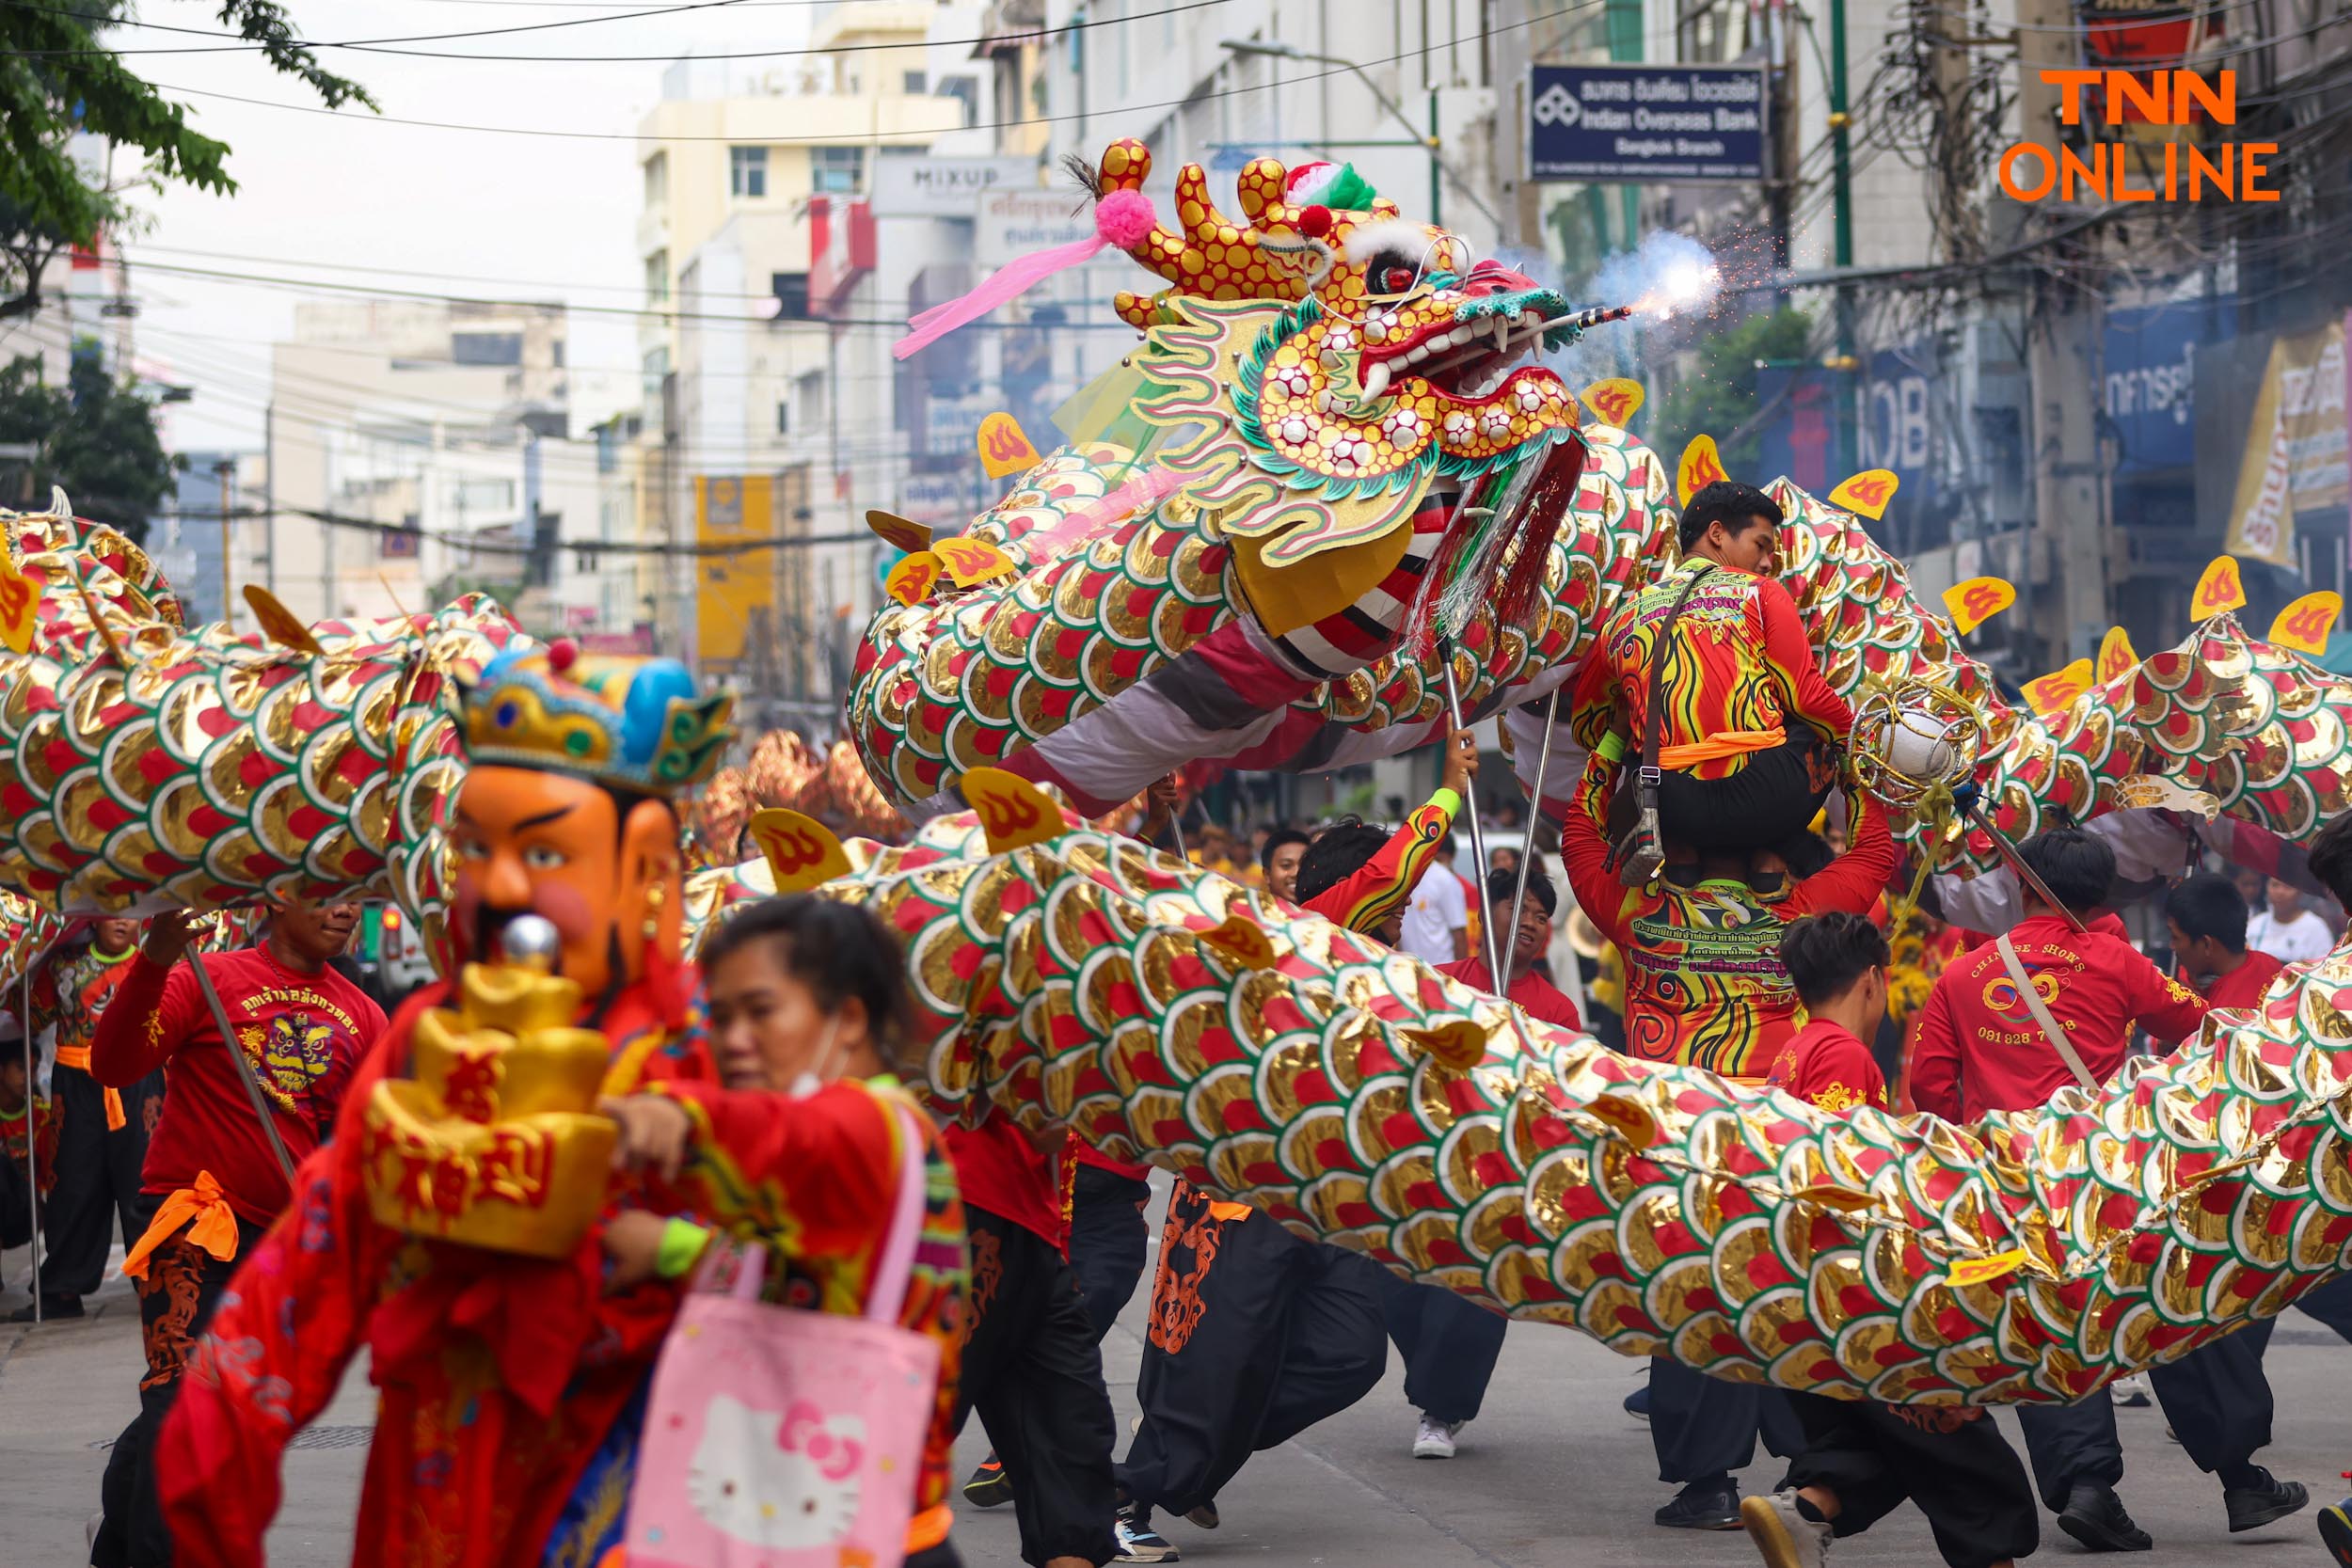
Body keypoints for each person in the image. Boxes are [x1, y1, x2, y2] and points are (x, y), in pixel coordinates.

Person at [153, 645, 734, 1568]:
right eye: (474, 848)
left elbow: (833, 1250)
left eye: (543, 851)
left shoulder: (711, 1046)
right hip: (440, 1477)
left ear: (645, 865)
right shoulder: (427, 1032)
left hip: (643, 1469)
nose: (499, 887)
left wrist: (662, 1248)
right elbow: (315, 1255)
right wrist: (214, 1462)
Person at [1911, 827, 2306, 1551]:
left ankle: (2088, 1485)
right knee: (2173, 1300)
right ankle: (2242, 1479)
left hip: (2010, 1186)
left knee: (2052, 1324)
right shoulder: (2120, 961)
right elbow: (2201, 1030)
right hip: (2108, 1172)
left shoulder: (1963, 975)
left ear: (2025, 885)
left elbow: (1930, 1088)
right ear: (2104, 892)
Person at [594, 895, 971, 1568]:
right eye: (723, 1014)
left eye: (761, 1011)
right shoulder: (841, 1133)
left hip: (862, 1542)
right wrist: (671, 1247)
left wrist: (672, 1118)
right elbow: (794, 1263)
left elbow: (781, 1144)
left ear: (847, 1018)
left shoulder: (864, 1127)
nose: (733, 1038)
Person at [1113, 825, 1413, 1560]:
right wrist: (1445, 789)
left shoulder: (1387, 971)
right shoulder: (1295, 941)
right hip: (1242, 1195)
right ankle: (1121, 1499)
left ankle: (1200, 1461)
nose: (1404, 915)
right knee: (1212, 1366)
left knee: (1352, 1352)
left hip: (1330, 1201)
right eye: (1395, 896)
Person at [86, 893, 380, 1566]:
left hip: (282, 1249)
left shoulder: (364, 1015)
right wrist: (155, 960)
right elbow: (114, 1065)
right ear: (278, 896)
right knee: (184, 1400)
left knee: (207, 1406)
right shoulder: (206, 976)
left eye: (354, 899)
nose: (345, 911)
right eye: (326, 895)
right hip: (197, 1223)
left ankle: (117, 1549)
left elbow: (373, 1141)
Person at [1744, 912, 2040, 1568]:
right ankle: (1809, 1506)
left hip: (1798, 1295)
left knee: (1880, 1449)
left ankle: (1808, 1507)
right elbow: (1844, 1181)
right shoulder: (1844, 1055)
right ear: (1875, 980)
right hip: (1854, 1295)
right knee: (1963, 1447)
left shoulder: (1796, 1049)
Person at [1568, 480, 1854, 857]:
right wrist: (1857, 743)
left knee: (1639, 741)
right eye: (1762, 545)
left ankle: (1681, 856)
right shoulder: (1760, 592)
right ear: (1717, 534)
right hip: (1763, 798)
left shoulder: (1624, 616)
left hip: (1669, 804)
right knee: (1818, 729)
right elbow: (1806, 695)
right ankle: (1766, 861)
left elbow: (1586, 725)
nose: (1768, 562)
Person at [12, 917, 155, 1322]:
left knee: (144, 1180)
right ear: (93, 915)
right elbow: (34, 1017)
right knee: (72, 1182)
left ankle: (158, 1280)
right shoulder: (63, 965)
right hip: (75, 1086)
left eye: (131, 911)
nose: (122, 920)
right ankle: (61, 1288)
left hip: (138, 1081)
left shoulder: (156, 961)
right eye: (111, 910)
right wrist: (26, 963)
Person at [1294, 725, 1478, 941]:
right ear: (1344, 888)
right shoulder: (1317, 923)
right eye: (1384, 890)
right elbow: (1393, 876)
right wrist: (1451, 790)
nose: (1407, 901)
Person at [1438, 867, 1583, 1030]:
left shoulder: (1559, 1012)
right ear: (1484, 915)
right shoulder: (1438, 982)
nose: (1530, 923)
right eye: (1519, 910)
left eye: (1541, 918)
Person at [2168, 873, 2287, 1011]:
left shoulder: (2221, 1018)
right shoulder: (2269, 963)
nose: (2172, 946)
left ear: (2207, 944)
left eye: (2175, 937)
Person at [1399, 834, 1470, 963]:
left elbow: (1459, 934)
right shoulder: (1402, 877)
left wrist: (1459, 977)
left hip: (1439, 969)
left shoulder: (1445, 879)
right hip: (1409, 969)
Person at [2246, 875, 2333, 965]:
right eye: (2275, 885)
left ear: (2300, 892)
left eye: (2288, 887)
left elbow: (2324, 967)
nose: (2280, 892)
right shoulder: (2256, 924)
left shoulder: (2316, 927)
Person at [1259, 828, 1311, 904]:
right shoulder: (1251, 914)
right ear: (1267, 874)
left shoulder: (1325, 913)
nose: (1296, 873)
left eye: (1304, 865)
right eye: (1286, 865)